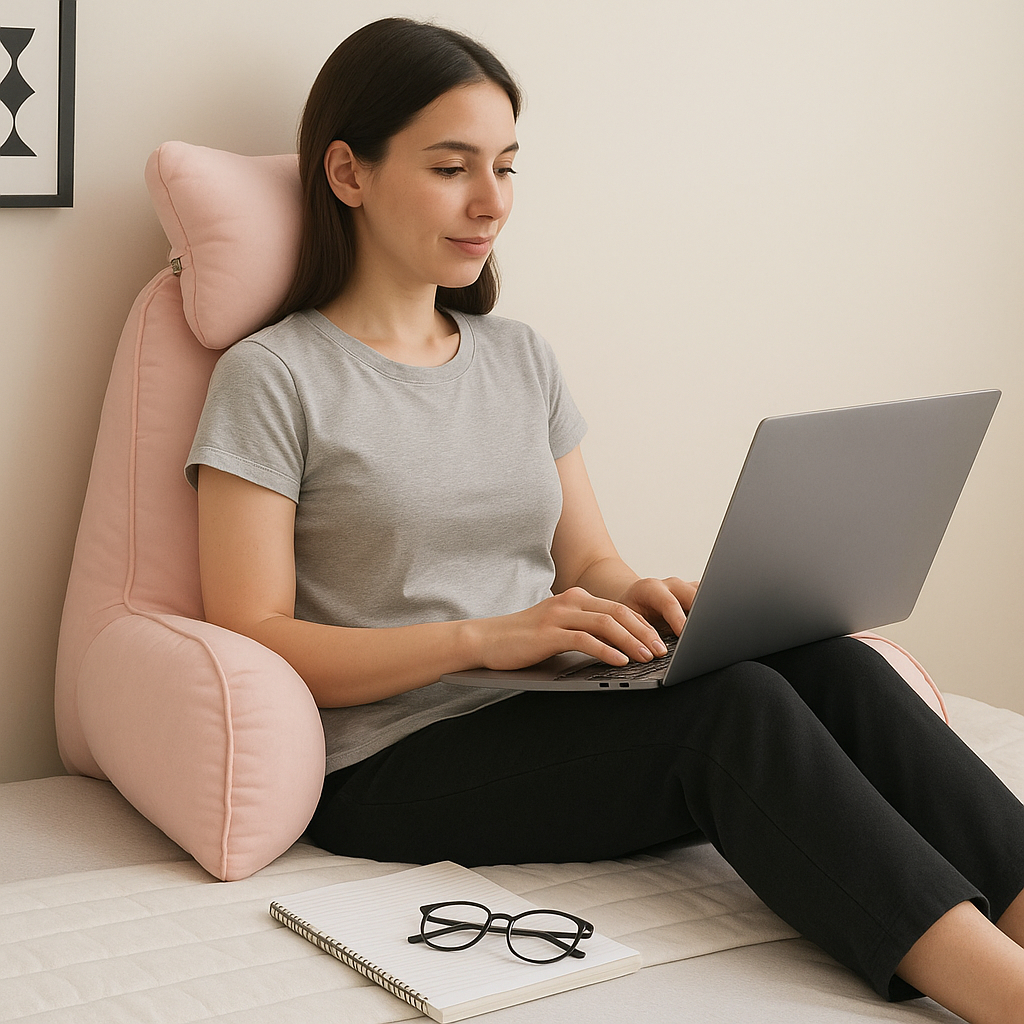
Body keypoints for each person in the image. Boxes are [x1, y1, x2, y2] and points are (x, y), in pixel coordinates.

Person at [187, 18, 1024, 1022]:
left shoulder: (519, 356)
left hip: (551, 698)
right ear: (347, 172)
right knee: (734, 714)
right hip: (393, 758)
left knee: (829, 662)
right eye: (451, 168)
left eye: (505, 166)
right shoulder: (273, 376)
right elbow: (253, 633)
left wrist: (650, 599)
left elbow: (586, 557)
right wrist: (484, 638)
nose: (491, 201)